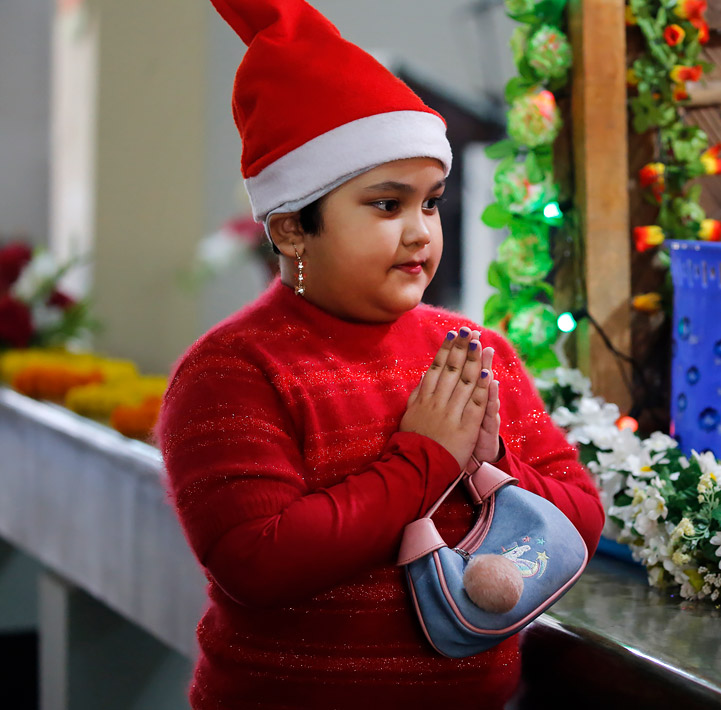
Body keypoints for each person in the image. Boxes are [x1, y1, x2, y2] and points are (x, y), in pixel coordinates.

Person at [156, 2, 604, 708]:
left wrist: (489, 463)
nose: (420, 232)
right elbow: (258, 561)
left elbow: (581, 518)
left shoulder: (475, 353)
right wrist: (426, 460)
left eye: (430, 203)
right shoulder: (232, 372)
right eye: (387, 205)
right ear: (291, 229)